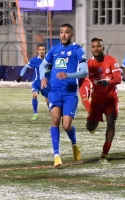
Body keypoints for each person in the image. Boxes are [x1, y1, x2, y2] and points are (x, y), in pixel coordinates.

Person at [39, 23, 88, 167]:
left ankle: (74, 144)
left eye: (66, 32)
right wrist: (43, 77)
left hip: (70, 93)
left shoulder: (77, 50)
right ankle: (56, 156)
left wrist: (68, 75)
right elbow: (43, 65)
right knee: (55, 119)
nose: (63, 35)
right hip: (54, 92)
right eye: (61, 32)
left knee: (66, 126)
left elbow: (84, 72)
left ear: (71, 34)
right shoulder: (54, 50)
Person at [86, 38, 122, 164]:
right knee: (89, 126)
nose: (96, 48)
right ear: (91, 49)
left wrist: (108, 82)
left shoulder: (111, 60)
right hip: (96, 101)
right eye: (93, 46)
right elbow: (83, 79)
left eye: (98, 46)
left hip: (110, 99)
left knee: (111, 124)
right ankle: (93, 125)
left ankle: (104, 153)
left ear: (103, 48)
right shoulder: (88, 64)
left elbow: (118, 79)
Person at [16, 44, 49, 120]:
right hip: (36, 82)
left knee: (48, 99)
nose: (41, 51)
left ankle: (52, 112)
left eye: (43, 50)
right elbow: (25, 67)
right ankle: (35, 113)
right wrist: (20, 76)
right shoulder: (34, 60)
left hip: (45, 83)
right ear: (37, 51)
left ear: (45, 51)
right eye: (40, 50)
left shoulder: (48, 60)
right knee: (34, 95)